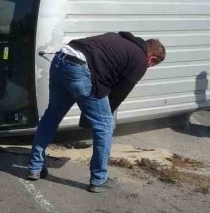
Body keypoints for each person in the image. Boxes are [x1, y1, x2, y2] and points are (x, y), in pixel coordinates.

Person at [27, 32, 166, 192]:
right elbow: (119, 94)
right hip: (80, 69)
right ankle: (99, 179)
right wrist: (94, 118)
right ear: (152, 58)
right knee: (105, 125)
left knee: (52, 115)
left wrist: (89, 114)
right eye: (152, 65)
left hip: (61, 59)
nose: (148, 67)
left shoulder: (121, 40)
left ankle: (35, 166)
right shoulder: (140, 60)